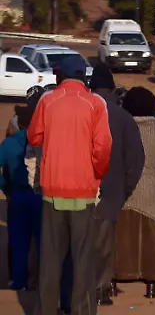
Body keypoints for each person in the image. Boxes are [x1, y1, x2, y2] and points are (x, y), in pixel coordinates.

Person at [27, 57, 112, 315]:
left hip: (52, 190)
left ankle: (46, 310)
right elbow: (103, 147)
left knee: (50, 260)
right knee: (83, 260)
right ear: (83, 76)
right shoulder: (96, 103)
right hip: (84, 191)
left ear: (59, 75)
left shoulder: (47, 101)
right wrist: (96, 174)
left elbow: (34, 136)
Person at [111, 88, 155, 299]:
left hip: (120, 190)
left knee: (116, 237)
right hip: (149, 189)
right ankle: (153, 283)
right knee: (152, 238)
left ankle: (111, 281)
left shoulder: (119, 128)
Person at [90, 65, 145, 305]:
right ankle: (100, 290)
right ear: (112, 89)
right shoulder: (123, 117)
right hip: (110, 191)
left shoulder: (81, 111)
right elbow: (135, 160)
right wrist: (125, 190)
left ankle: (77, 289)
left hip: (75, 189)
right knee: (103, 245)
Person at [0, 92, 43, 292]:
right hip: (40, 195)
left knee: (19, 242)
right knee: (42, 241)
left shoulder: (9, 143)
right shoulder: (44, 141)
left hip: (18, 195)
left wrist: (6, 187)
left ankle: (19, 282)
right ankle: (42, 280)